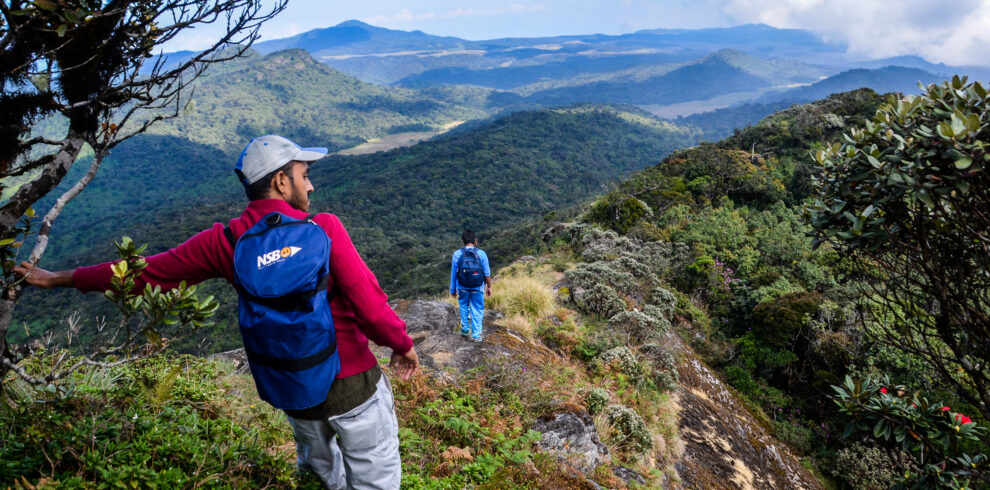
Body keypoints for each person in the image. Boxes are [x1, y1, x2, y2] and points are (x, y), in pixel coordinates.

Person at [14, 134, 419, 489]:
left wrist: (58, 278)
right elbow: (369, 301)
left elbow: (144, 274)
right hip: (352, 382)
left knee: (319, 474)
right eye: (304, 174)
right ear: (281, 180)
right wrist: (401, 343)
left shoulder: (226, 241)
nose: (310, 186)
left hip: (293, 385)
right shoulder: (324, 228)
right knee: (376, 476)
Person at [449, 229, 492, 342]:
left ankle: (465, 328)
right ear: (475, 240)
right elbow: (487, 273)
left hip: (462, 286)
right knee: (477, 309)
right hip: (477, 287)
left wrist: (453, 289)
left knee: (463, 305)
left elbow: (454, 273)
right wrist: (489, 287)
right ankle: (477, 335)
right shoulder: (481, 254)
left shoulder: (457, 254)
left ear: (463, 241)